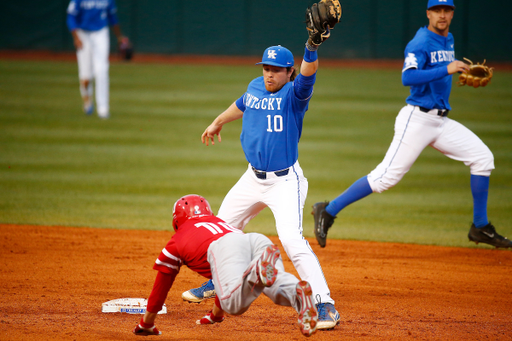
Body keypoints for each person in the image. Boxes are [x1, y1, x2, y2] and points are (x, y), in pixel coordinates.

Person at [312, 0, 512, 250]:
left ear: (452, 14)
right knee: (385, 178)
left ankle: (480, 227)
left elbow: (439, 69)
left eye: (447, 10)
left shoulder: (447, 39)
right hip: (417, 120)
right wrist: (447, 69)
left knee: (483, 158)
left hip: (441, 121)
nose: (442, 15)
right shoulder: (420, 42)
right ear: (428, 13)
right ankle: (327, 211)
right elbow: (408, 77)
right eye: (437, 10)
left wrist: (457, 69)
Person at [181, 39, 341, 330]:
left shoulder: (296, 94)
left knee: (292, 241)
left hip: (284, 182)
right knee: (220, 230)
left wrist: (312, 46)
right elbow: (243, 103)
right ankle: (219, 281)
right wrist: (218, 121)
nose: (269, 74)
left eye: (277, 70)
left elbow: (309, 72)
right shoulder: (255, 86)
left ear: (289, 72)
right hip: (251, 179)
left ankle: (325, 304)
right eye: (266, 68)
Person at [132, 194, 318, 337]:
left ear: (176, 221)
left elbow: (161, 286)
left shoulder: (176, 242)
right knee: (275, 285)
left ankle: (255, 272)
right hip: (254, 240)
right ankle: (298, 294)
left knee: (234, 304)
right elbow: (222, 276)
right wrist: (215, 316)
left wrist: (147, 323)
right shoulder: (221, 223)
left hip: (225, 251)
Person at [66, 0, 129, 119]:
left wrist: (119, 36)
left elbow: (112, 17)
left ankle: (103, 109)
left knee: (102, 70)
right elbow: (71, 17)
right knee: (86, 76)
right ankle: (87, 99)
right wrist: (76, 37)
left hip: (101, 33)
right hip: (82, 33)